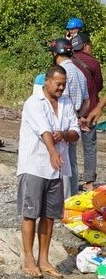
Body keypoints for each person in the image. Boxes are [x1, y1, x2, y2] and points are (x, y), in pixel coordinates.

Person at [17, 65, 80, 278]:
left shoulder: (66, 103)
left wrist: (64, 133)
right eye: (58, 83)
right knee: (30, 213)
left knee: (50, 215)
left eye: (64, 84)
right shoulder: (34, 103)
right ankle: (28, 258)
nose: (61, 87)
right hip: (35, 164)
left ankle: (44, 259)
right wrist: (53, 152)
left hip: (56, 169)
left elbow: (75, 133)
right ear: (47, 81)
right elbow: (44, 131)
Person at [48, 38, 89, 198]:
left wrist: (72, 117)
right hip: (76, 121)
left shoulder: (60, 73)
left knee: (60, 161)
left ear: (55, 53)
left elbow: (63, 100)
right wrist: (79, 118)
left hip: (63, 120)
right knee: (72, 160)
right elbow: (87, 100)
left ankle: (62, 199)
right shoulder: (80, 72)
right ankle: (72, 196)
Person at [71, 33, 102, 192]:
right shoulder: (94, 63)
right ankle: (89, 183)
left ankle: (71, 180)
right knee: (89, 147)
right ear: (85, 46)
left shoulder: (68, 62)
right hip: (90, 112)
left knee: (70, 147)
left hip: (71, 112)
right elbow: (99, 86)